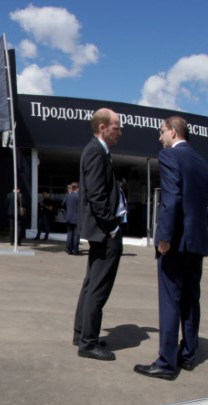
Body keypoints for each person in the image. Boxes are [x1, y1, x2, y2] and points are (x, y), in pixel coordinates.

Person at [134, 116, 208, 380]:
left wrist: (163, 237)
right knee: (190, 300)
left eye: (161, 131)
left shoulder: (169, 156)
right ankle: (188, 355)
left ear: (174, 132)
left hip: (176, 242)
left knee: (170, 302)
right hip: (196, 243)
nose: (159, 137)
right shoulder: (202, 162)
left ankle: (167, 362)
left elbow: (171, 197)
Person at [72, 108, 124, 361]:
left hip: (100, 232)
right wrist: (112, 226)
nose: (120, 132)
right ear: (103, 127)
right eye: (117, 127)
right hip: (105, 232)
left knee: (91, 283)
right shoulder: (95, 151)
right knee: (98, 287)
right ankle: (88, 343)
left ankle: (82, 333)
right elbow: (96, 195)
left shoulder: (97, 151)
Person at [63, 182, 80, 255]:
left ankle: (69, 250)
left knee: (69, 234)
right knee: (76, 234)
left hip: (69, 217)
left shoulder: (68, 196)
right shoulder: (78, 196)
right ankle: (75, 250)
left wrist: (68, 211)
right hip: (77, 218)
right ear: (77, 188)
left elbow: (63, 204)